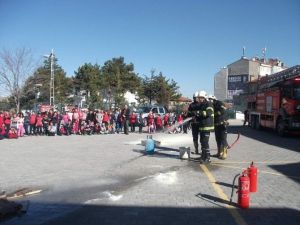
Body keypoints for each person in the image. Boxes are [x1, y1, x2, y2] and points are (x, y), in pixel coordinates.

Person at [195, 91, 214, 163]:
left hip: (207, 126)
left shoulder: (209, 104)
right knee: (202, 142)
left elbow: (209, 113)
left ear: (203, 97)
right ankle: (203, 156)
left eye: (200, 98)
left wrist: (199, 113)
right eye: (198, 98)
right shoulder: (202, 105)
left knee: (205, 142)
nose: (198, 99)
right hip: (202, 126)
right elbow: (201, 115)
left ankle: (208, 158)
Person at [208, 95, 229, 160]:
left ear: (214, 99)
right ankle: (219, 152)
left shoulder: (219, 103)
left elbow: (223, 111)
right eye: (209, 99)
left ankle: (225, 153)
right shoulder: (211, 105)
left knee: (223, 139)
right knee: (218, 139)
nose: (209, 100)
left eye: (210, 99)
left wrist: (214, 114)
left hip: (222, 123)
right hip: (216, 124)